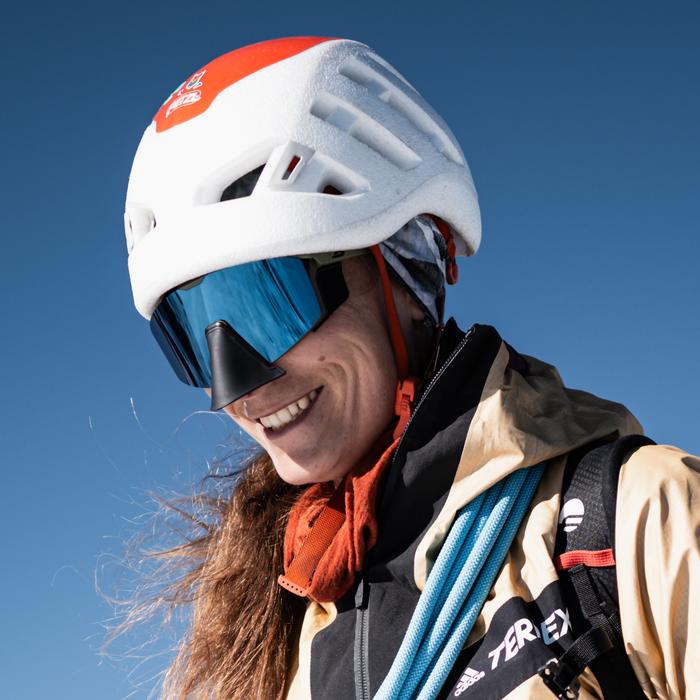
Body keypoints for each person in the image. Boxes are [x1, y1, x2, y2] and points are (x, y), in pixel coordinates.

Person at [123, 37, 700, 699]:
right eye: (193, 336)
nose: (235, 387)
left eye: (269, 304)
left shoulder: (633, 522)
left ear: (407, 263)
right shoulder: (290, 643)